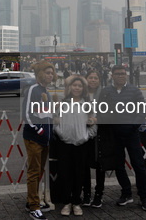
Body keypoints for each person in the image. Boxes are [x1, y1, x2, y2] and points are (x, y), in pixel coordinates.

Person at [97, 65, 146, 211]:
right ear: (112, 76)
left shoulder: (134, 91)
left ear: (126, 75)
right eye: (118, 74)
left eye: (123, 74)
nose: (121, 76)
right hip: (114, 135)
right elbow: (100, 110)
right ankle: (126, 193)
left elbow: (143, 110)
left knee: (138, 165)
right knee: (119, 166)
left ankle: (144, 197)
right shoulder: (106, 91)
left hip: (131, 133)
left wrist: (133, 125)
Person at [54, 75, 97, 217]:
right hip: (65, 144)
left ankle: (76, 202)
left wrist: (86, 136)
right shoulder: (63, 103)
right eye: (74, 85)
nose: (77, 88)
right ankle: (66, 202)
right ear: (69, 87)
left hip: (81, 144)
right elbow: (55, 121)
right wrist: (62, 134)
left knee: (79, 174)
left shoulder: (87, 104)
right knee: (65, 173)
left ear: (83, 88)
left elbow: (93, 124)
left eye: (79, 85)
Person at [23, 60, 55, 220]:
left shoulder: (46, 92)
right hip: (35, 137)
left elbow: (47, 115)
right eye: (48, 73)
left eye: (51, 73)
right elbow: (27, 114)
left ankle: (32, 200)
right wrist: (40, 130)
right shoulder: (33, 90)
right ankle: (34, 207)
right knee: (34, 172)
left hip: (44, 139)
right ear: (40, 74)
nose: (51, 75)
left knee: (39, 171)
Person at [83, 70, 106, 208]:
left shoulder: (104, 94)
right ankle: (86, 194)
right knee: (85, 165)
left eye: (95, 78)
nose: (92, 80)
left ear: (99, 80)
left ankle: (98, 195)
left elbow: (110, 112)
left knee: (99, 166)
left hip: (100, 135)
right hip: (83, 134)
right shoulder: (80, 93)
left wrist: (96, 119)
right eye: (90, 77)